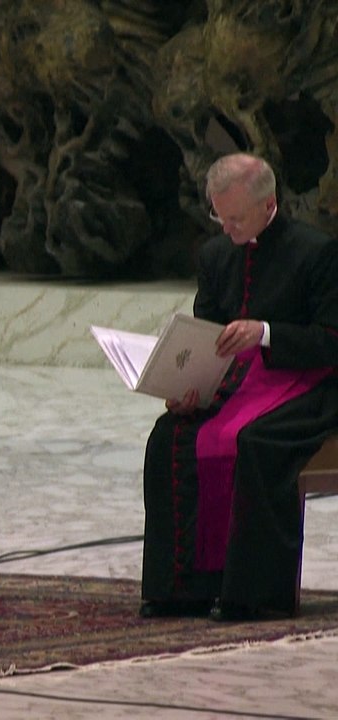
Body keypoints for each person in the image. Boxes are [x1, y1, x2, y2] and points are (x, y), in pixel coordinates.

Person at [140, 152, 338, 621]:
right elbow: (203, 336)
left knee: (254, 443)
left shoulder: (318, 252)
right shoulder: (214, 255)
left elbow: (330, 339)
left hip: (311, 383)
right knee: (171, 434)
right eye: (218, 215)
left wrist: (265, 332)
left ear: (269, 205)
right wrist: (185, 385)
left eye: (235, 218)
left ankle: (253, 594)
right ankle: (180, 589)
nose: (225, 228)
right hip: (234, 384)